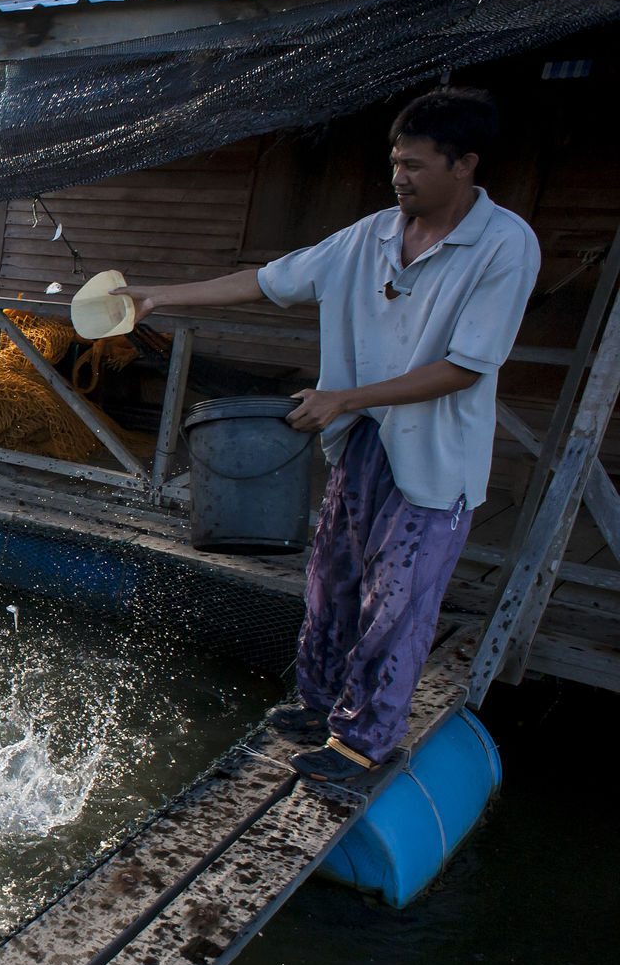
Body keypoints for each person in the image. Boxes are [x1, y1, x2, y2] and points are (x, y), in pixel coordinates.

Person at [116, 88, 539, 789]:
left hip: (435, 454)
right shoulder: (370, 234)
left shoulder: (503, 244)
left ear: (464, 164)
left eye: (416, 165)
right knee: (332, 582)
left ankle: (366, 743)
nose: (399, 176)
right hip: (363, 441)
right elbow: (266, 280)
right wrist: (160, 295)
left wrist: (347, 396)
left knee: (396, 598)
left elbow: (465, 366)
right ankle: (318, 706)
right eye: (394, 162)